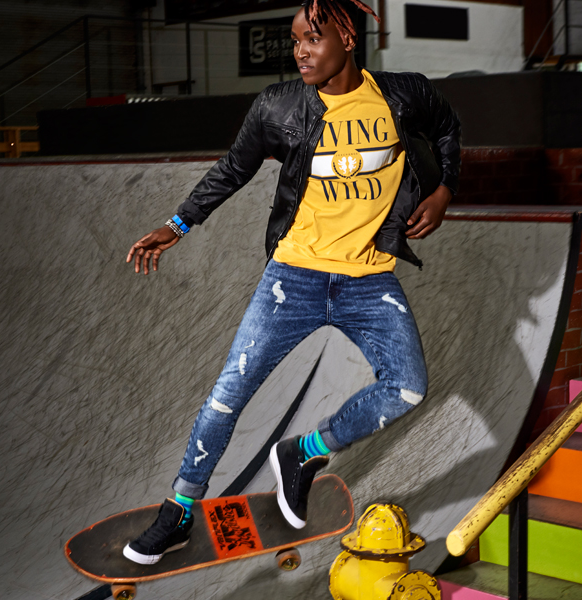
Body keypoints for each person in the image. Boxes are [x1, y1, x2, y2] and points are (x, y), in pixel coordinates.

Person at [122, 0, 460, 566]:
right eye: (296, 40)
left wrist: (445, 190)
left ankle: (304, 452)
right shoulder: (278, 106)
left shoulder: (403, 95)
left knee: (407, 387)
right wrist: (178, 225)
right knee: (229, 394)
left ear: (347, 39)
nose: (301, 51)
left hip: (368, 282)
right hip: (293, 279)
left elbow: (447, 128)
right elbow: (234, 168)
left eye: (313, 38)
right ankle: (178, 510)